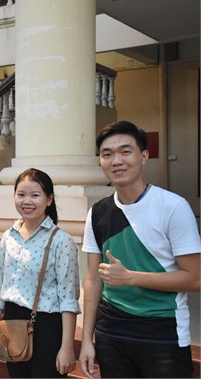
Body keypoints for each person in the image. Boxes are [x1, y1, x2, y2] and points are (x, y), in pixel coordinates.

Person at [79, 120, 201, 378]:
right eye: (107, 154)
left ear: (144, 156)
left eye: (126, 151)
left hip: (162, 333)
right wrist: (87, 339)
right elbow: (92, 279)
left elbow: (194, 278)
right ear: (100, 161)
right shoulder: (97, 212)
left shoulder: (173, 207)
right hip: (110, 333)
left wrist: (130, 277)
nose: (116, 161)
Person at [0, 168, 80, 378]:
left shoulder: (61, 241)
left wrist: (67, 347)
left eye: (35, 195)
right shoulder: (8, 236)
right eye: (21, 195)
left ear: (49, 200)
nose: (27, 201)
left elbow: (68, 299)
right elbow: (0, 288)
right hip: (11, 324)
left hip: (46, 327)